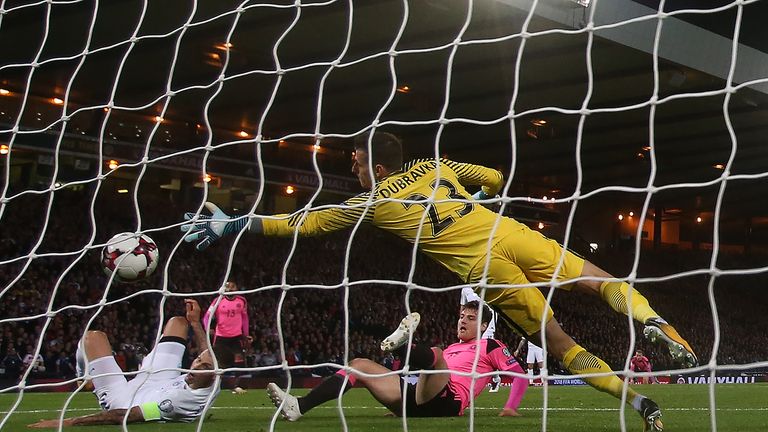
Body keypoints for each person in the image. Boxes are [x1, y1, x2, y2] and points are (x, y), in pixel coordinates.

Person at [182, 130, 698, 431]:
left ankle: (637, 402)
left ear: (378, 165)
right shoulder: (434, 164)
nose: (355, 169)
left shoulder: (375, 201)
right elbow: (494, 180)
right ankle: (656, 323)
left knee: (560, 344)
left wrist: (238, 222)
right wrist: (468, 191)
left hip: (484, 270)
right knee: (599, 278)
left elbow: (309, 223)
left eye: (358, 161)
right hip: (508, 231)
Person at [266, 300, 528, 420]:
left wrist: (511, 406)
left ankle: (403, 347)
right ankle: (299, 406)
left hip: (450, 402)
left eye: (470, 319)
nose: (463, 321)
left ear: (483, 326)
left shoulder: (490, 345)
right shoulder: (452, 348)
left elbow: (518, 374)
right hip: (420, 397)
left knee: (435, 355)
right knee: (359, 365)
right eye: (461, 316)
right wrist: (401, 404)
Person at [28, 299, 220, 428]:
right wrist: (195, 323)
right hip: (160, 379)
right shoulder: (213, 378)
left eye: (202, 367)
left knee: (92, 338)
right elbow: (206, 354)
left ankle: (84, 378)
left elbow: (125, 415)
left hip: (126, 399)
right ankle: (146, 365)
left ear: (210, 375)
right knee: (179, 322)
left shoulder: (176, 403)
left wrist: (68, 422)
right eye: (197, 361)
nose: (195, 365)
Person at [203, 280, 250, 394]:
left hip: (236, 336)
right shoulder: (218, 301)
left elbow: (244, 318)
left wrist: (246, 333)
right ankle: (214, 386)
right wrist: (207, 328)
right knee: (218, 362)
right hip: (221, 336)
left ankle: (238, 386)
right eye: (228, 287)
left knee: (240, 361)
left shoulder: (242, 300)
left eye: (232, 287)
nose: (230, 290)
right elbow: (206, 317)